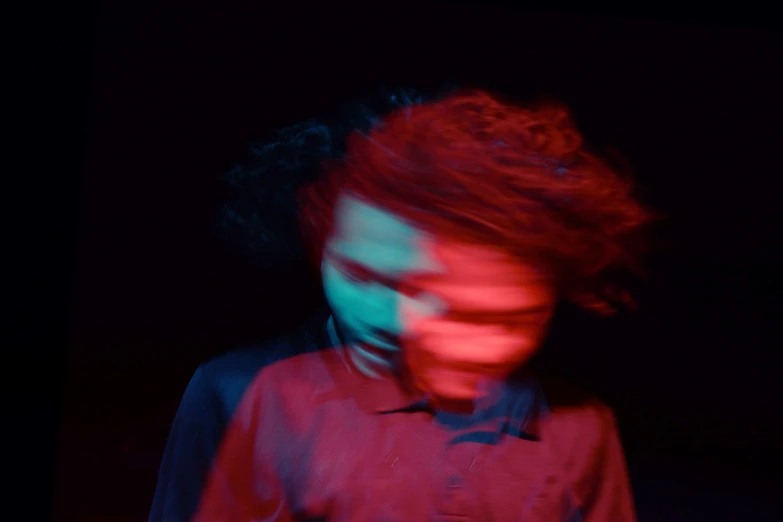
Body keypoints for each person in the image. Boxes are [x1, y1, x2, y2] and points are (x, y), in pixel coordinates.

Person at [191, 89, 659, 521]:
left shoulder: (579, 428)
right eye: (362, 276)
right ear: (320, 246)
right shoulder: (242, 392)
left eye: (494, 316)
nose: (394, 320)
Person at [148, 90, 427, 522]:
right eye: (361, 273)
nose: (389, 311)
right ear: (320, 250)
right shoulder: (232, 391)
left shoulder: (525, 406)